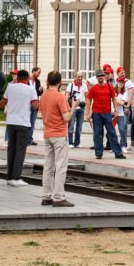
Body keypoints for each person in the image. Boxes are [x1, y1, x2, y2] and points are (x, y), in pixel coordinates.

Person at [0, 69, 39, 186]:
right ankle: (16, 178)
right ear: (27, 79)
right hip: (24, 123)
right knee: (20, 151)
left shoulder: (10, 87)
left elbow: (3, 102)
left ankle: (9, 177)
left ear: (18, 78)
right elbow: (35, 105)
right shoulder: (31, 89)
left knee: (11, 150)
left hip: (11, 123)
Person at [38, 71, 73, 207]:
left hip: (47, 134)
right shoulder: (60, 97)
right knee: (61, 166)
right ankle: (58, 197)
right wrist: (74, 107)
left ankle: (46, 196)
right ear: (59, 82)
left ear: (48, 81)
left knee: (48, 166)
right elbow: (66, 118)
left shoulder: (43, 96)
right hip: (59, 134)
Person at [86, 69, 125, 159]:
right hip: (96, 113)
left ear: (104, 76)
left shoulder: (109, 86)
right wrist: (87, 114)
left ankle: (118, 153)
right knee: (97, 133)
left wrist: (115, 110)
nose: (100, 77)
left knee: (111, 132)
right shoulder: (94, 88)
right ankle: (98, 153)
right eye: (98, 76)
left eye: (101, 75)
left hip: (107, 113)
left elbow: (114, 99)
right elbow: (88, 100)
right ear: (96, 77)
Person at [65, 73, 87, 148]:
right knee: (71, 126)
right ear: (75, 77)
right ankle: (70, 142)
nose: (80, 78)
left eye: (81, 76)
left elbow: (87, 96)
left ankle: (77, 143)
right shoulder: (71, 85)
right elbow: (67, 95)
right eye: (78, 77)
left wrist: (86, 103)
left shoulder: (84, 85)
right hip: (73, 108)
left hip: (81, 108)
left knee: (79, 127)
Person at [28, 67, 43, 145]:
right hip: (27, 104)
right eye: (38, 72)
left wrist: (41, 91)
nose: (39, 74)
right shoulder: (27, 81)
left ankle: (30, 139)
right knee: (26, 122)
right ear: (33, 71)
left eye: (40, 73)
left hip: (35, 104)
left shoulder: (38, 82)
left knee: (32, 123)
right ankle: (26, 139)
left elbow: (38, 94)